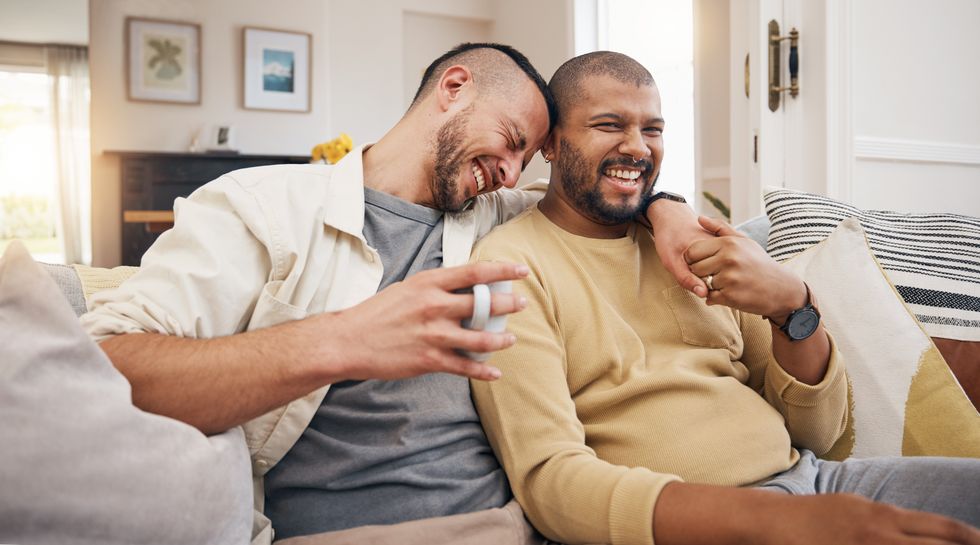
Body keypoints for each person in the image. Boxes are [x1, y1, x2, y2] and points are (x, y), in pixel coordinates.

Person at [80, 43, 701, 545]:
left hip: (515, 526)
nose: (512, 172)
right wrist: (342, 341)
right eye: (510, 139)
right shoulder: (263, 207)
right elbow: (102, 368)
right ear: (453, 88)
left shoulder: (498, 216)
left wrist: (668, 210)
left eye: (525, 157)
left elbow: (597, 191)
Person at [469, 51, 980, 545]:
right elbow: (550, 482)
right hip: (708, 524)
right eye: (609, 125)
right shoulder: (508, 267)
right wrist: (767, 521)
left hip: (817, 484)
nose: (639, 148)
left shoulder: (699, 246)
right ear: (551, 145)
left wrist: (793, 308)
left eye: (652, 129)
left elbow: (819, 433)